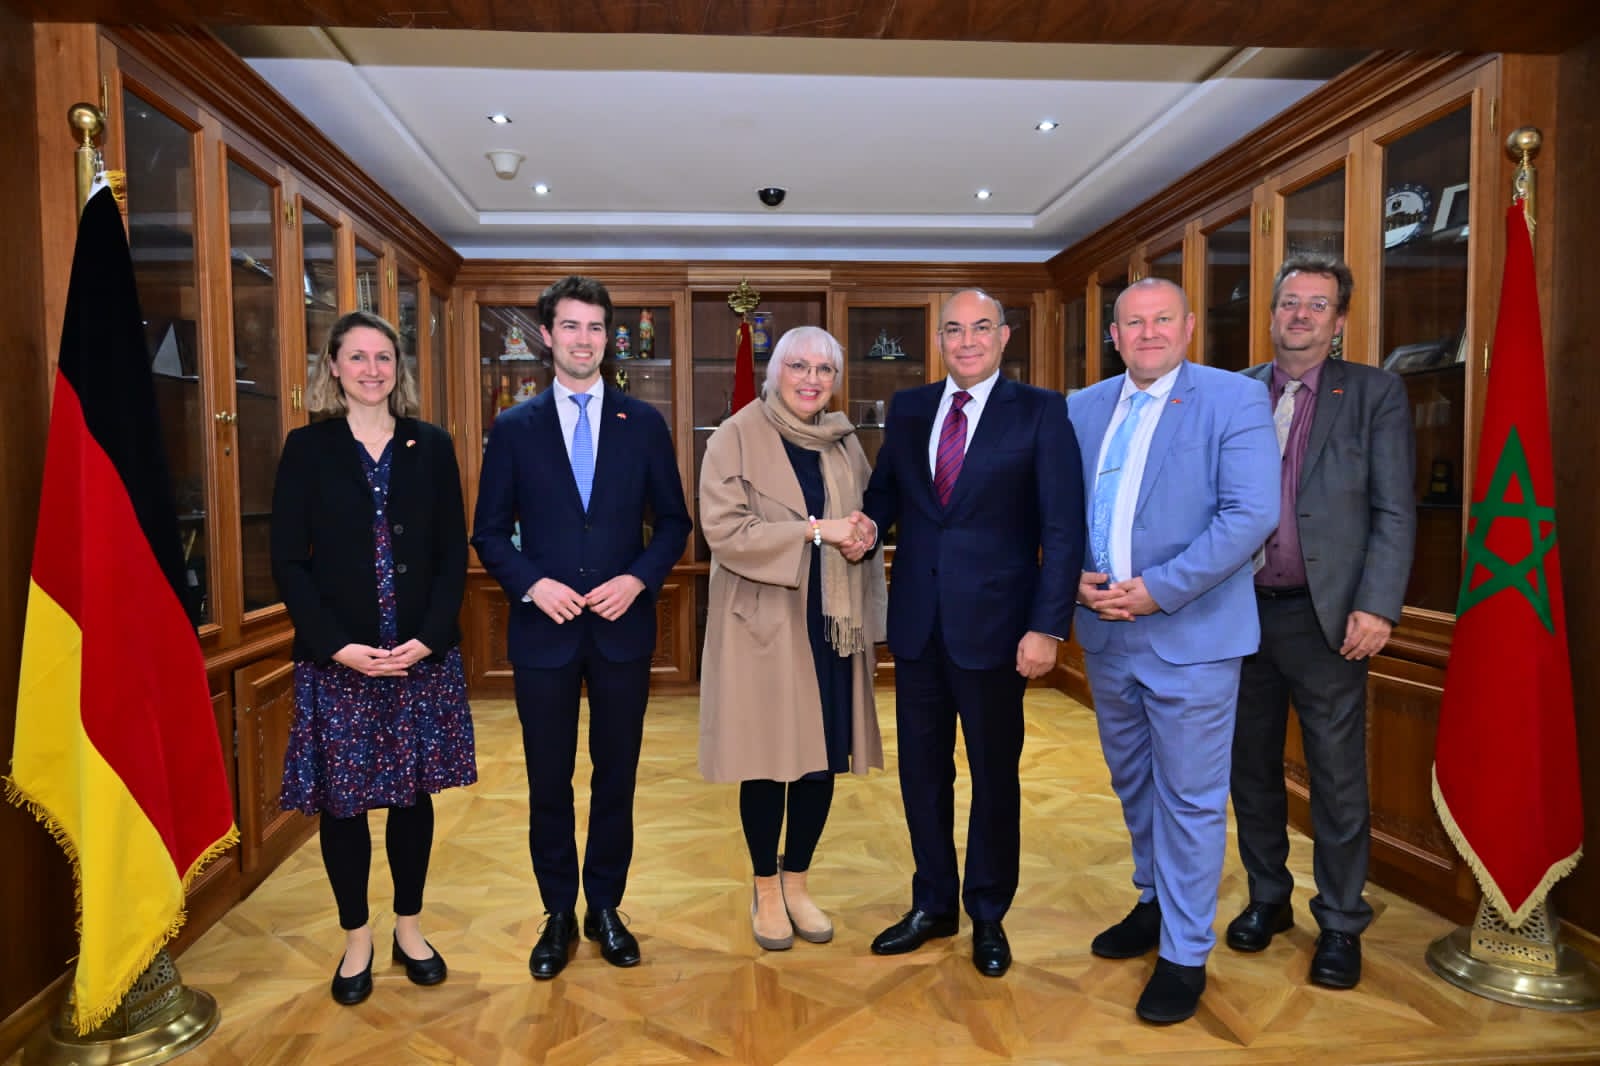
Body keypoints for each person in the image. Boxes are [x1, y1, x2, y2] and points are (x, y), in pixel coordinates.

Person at [1069, 278, 1278, 1024]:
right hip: (1106, 634)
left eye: (1163, 319)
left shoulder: (1234, 399)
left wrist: (1160, 589)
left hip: (1194, 636)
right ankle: (1155, 901)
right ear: (1114, 335)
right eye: (1134, 322)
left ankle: (1186, 953)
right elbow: (1058, 510)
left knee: (1190, 798)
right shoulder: (1082, 407)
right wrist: (1071, 579)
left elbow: (1250, 514)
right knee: (1135, 784)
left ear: (1188, 327)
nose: (1148, 332)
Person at [472, 274, 691, 979]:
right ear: (547, 336)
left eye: (595, 327)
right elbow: (488, 533)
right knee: (549, 781)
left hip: (623, 631)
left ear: (608, 338)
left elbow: (675, 523)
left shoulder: (643, 423)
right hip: (545, 633)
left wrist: (638, 579)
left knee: (616, 776)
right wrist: (533, 584)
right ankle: (558, 913)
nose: (583, 339)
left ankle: (605, 907)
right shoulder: (515, 427)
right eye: (570, 326)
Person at [862, 289, 1083, 978]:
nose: (966, 341)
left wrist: (1047, 627)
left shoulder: (1041, 411)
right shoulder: (909, 408)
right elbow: (885, 494)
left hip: (998, 630)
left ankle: (988, 911)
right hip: (918, 627)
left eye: (980, 328)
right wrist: (861, 526)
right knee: (921, 774)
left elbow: (1062, 528)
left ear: (1004, 336)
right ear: (938, 341)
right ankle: (933, 903)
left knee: (993, 775)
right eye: (953, 330)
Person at [272, 309, 476, 1006]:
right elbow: (288, 560)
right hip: (340, 661)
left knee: (413, 799)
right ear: (332, 366)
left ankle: (409, 929)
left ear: (399, 367)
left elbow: (452, 552)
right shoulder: (307, 448)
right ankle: (357, 937)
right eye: (356, 357)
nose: (371, 369)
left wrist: (432, 636)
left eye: (383, 357)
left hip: (420, 657)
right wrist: (337, 646)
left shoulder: (432, 444)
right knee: (345, 805)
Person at [1226, 255, 1416, 990]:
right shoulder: (1235, 391)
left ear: (1339, 321)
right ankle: (1267, 898)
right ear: (1272, 312)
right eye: (1290, 302)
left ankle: (1339, 921)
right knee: (1250, 768)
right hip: (1239, 615)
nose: (1300, 315)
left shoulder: (1373, 393)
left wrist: (1378, 603)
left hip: (1328, 619)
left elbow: (1394, 509)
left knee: (1336, 779)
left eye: (1317, 304)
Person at [698, 326, 887, 951]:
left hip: (831, 624)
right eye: (799, 366)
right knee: (767, 761)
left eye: (824, 370)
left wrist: (865, 533)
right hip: (764, 624)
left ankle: (798, 881)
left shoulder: (843, 440)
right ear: (775, 371)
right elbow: (726, 532)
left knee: (820, 762)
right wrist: (815, 531)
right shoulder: (736, 435)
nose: (812, 380)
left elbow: (863, 515)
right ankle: (765, 887)